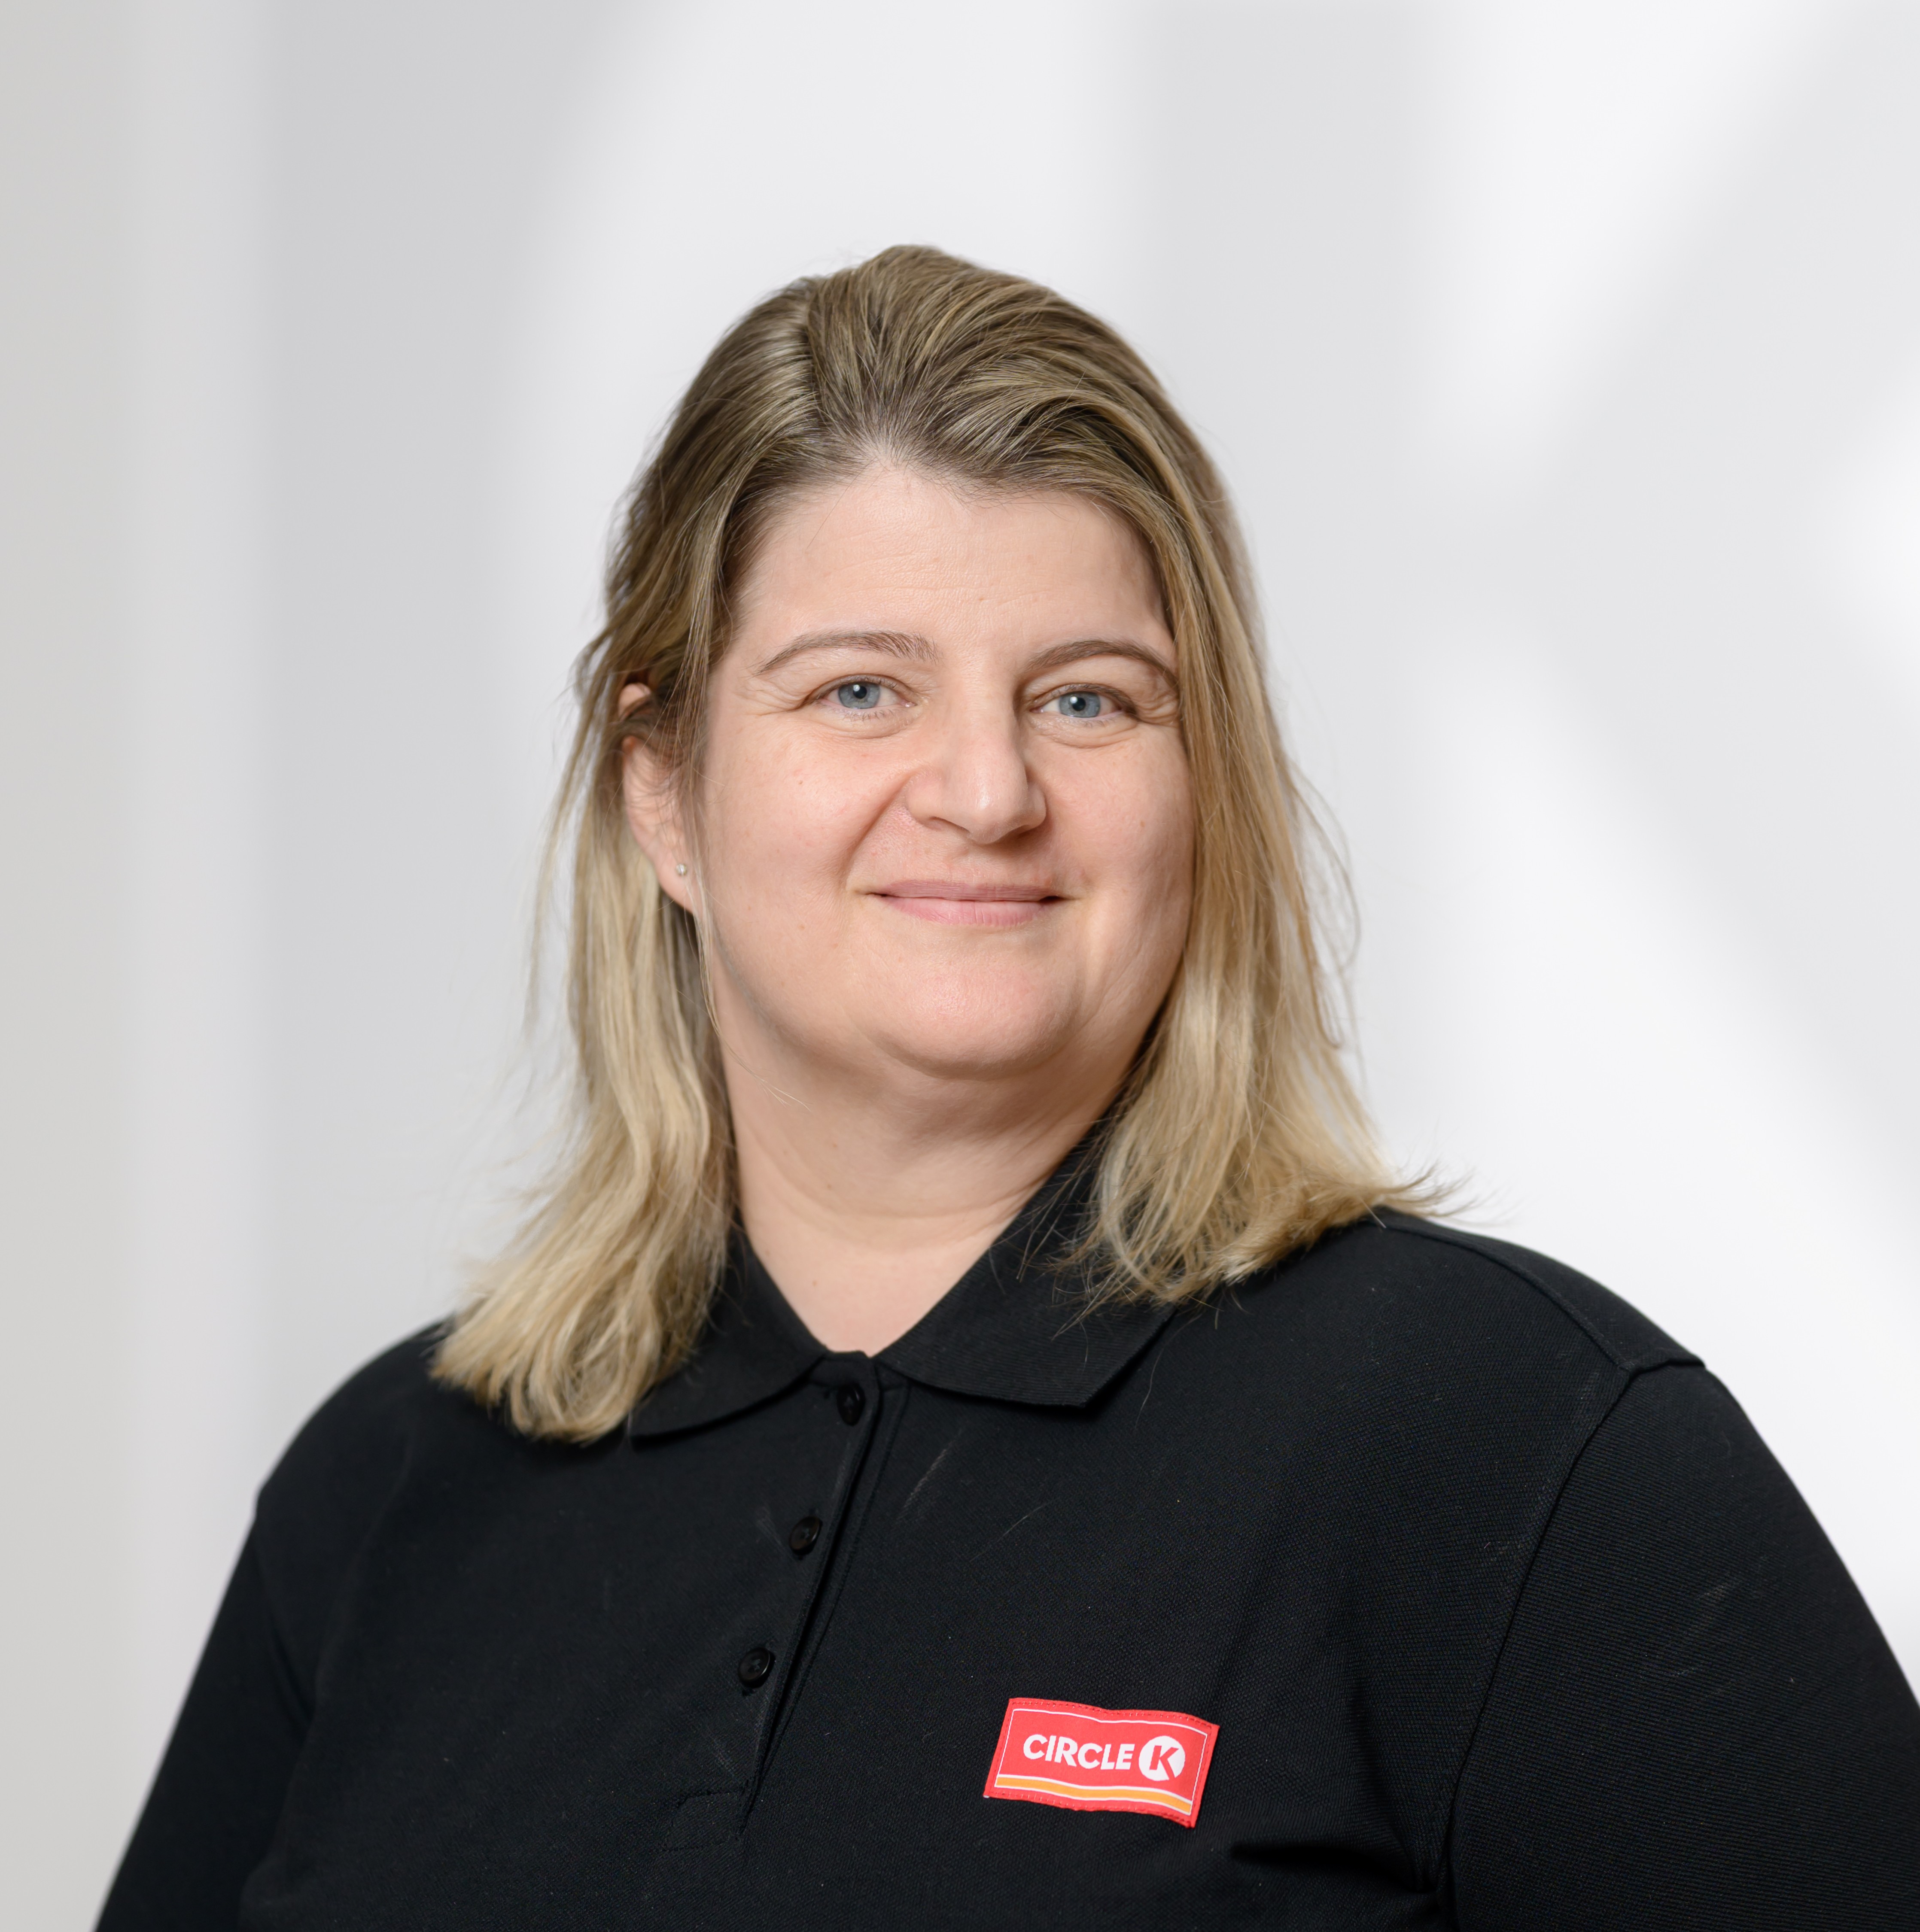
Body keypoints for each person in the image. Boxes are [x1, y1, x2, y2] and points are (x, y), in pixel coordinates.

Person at [100, 247, 1919, 1931]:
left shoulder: (1506, 1443)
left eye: (1086, 700)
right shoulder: (391, 1488)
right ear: (662, 790)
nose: (985, 791)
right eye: (859, 692)